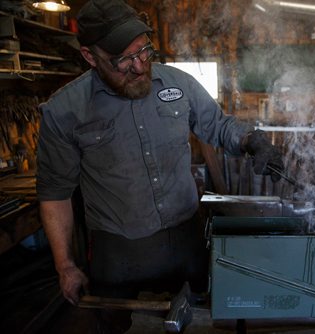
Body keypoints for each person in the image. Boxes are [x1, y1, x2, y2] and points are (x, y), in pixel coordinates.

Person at [36, 0, 283, 310]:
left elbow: (218, 125)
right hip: (119, 255)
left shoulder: (179, 84)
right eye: (123, 60)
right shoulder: (64, 111)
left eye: (144, 51)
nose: (140, 66)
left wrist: (252, 140)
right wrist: (65, 266)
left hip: (185, 243)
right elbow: (55, 193)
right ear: (90, 56)